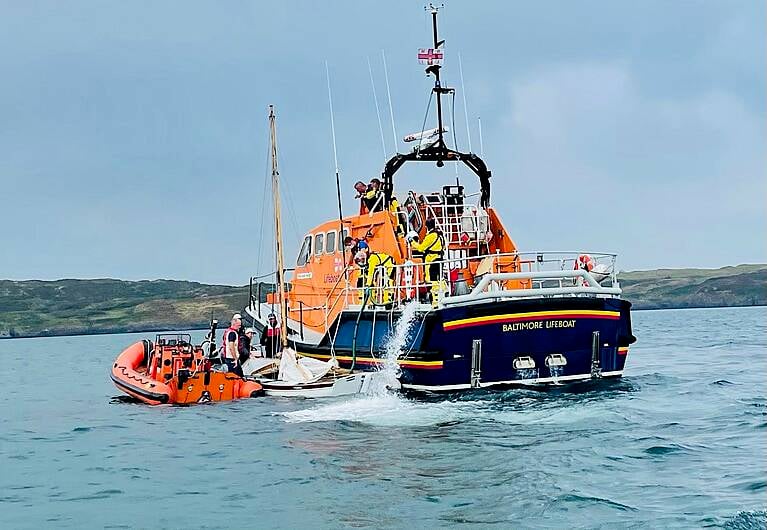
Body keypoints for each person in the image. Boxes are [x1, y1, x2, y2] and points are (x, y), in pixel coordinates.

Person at [408, 218, 446, 305]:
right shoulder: (440, 235)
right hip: (439, 259)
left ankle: (435, 302)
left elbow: (421, 248)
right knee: (439, 279)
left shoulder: (431, 236)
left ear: (427, 226)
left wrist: (412, 242)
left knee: (432, 281)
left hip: (432, 261)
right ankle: (442, 297)